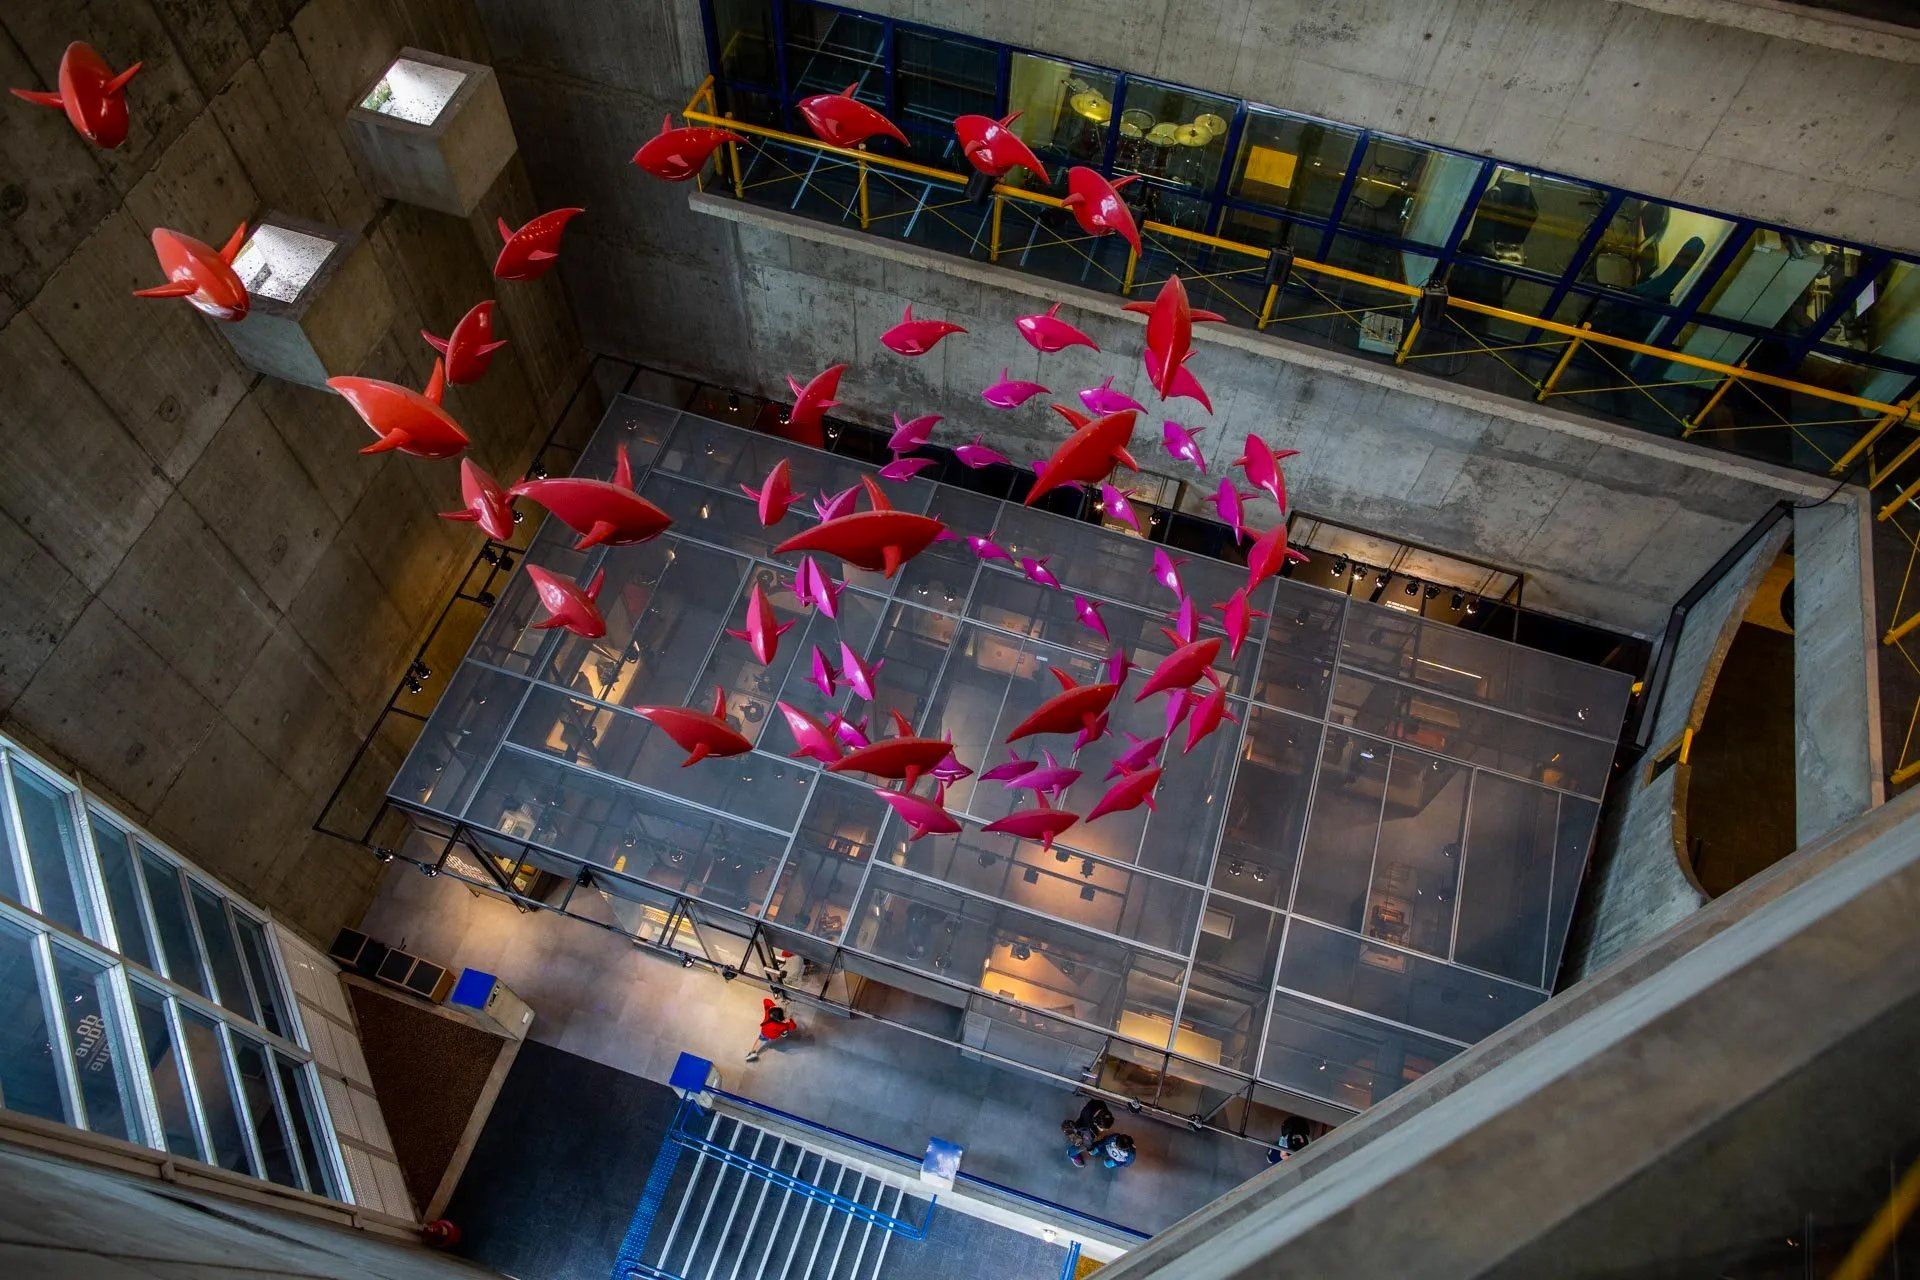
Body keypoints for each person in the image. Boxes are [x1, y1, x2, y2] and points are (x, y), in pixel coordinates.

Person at [1060, 1097, 1116, 1167]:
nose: (1105, 1130)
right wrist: (1090, 1149)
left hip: (1083, 1118)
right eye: (1103, 1129)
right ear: (1095, 1123)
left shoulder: (1100, 1105)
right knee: (1081, 1146)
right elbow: (1087, 1144)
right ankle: (1072, 1154)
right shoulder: (1090, 1133)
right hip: (1083, 1130)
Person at [745, 998, 798, 1062]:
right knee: (784, 1031)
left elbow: (765, 1000)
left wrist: (773, 1007)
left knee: (760, 1039)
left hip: (764, 1032)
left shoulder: (768, 1013)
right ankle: (783, 1033)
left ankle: (752, 1053)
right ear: (782, 1019)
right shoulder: (784, 1025)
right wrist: (789, 1021)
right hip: (773, 1035)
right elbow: (793, 1027)